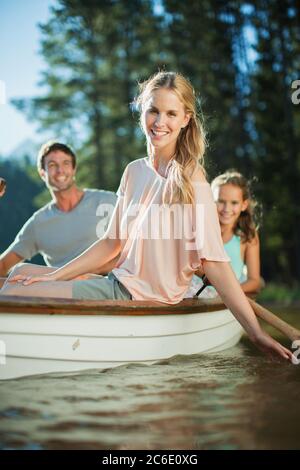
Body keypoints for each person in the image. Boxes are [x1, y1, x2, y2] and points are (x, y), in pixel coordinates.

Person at [1, 71, 292, 361]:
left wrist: (255, 333)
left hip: (138, 296)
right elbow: (110, 243)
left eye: (170, 113)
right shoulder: (133, 171)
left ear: (185, 119)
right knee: (18, 273)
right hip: (118, 283)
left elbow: (214, 262)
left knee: (14, 291)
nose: (159, 122)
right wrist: (55, 274)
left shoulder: (191, 178)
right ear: (142, 110)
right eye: (153, 110)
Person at [0, 141, 117, 276]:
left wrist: (85, 273)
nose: (60, 170)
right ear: (42, 173)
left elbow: (135, 252)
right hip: (60, 291)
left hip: (107, 286)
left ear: (74, 169)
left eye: (65, 163)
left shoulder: (109, 201)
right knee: (20, 272)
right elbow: (3, 265)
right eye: (52, 165)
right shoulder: (38, 223)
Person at [187, 170, 261, 297]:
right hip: (193, 294)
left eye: (234, 203)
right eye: (220, 201)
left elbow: (254, 282)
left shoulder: (247, 236)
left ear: (244, 205)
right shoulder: (198, 228)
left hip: (226, 297)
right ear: (210, 201)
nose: (227, 209)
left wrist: (228, 293)